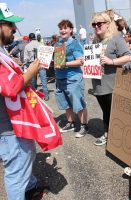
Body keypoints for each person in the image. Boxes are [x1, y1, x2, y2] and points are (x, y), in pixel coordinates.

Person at [0, 2, 47, 200]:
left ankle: (31, 187)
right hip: (9, 127)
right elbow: (10, 88)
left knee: (23, 161)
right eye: (9, 24)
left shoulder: (2, 50)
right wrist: (31, 71)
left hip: (13, 122)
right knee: (16, 172)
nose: (14, 29)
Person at [91, 11, 131, 146]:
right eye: (94, 24)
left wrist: (111, 61)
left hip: (112, 84)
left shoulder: (116, 39)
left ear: (108, 24)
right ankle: (109, 135)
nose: (97, 26)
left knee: (113, 112)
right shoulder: (95, 42)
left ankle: (114, 138)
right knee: (105, 111)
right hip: (98, 84)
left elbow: (129, 56)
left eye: (99, 23)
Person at [55, 19, 88, 138]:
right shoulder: (57, 44)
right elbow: (56, 60)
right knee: (66, 104)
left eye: (65, 28)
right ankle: (71, 123)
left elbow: (80, 61)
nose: (63, 30)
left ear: (70, 30)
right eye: (61, 28)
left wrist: (65, 64)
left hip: (73, 78)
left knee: (78, 103)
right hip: (60, 78)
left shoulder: (74, 43)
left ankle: (84, 126)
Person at [24, 32, 49, 101]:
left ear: (29, 38)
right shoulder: (41, 44)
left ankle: (35, 97)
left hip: (32, 65)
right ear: (35, 37)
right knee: (44, 81)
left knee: (33, 82)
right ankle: (46, 96)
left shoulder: (27, 46)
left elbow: (25, 59)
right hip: (41, 63)